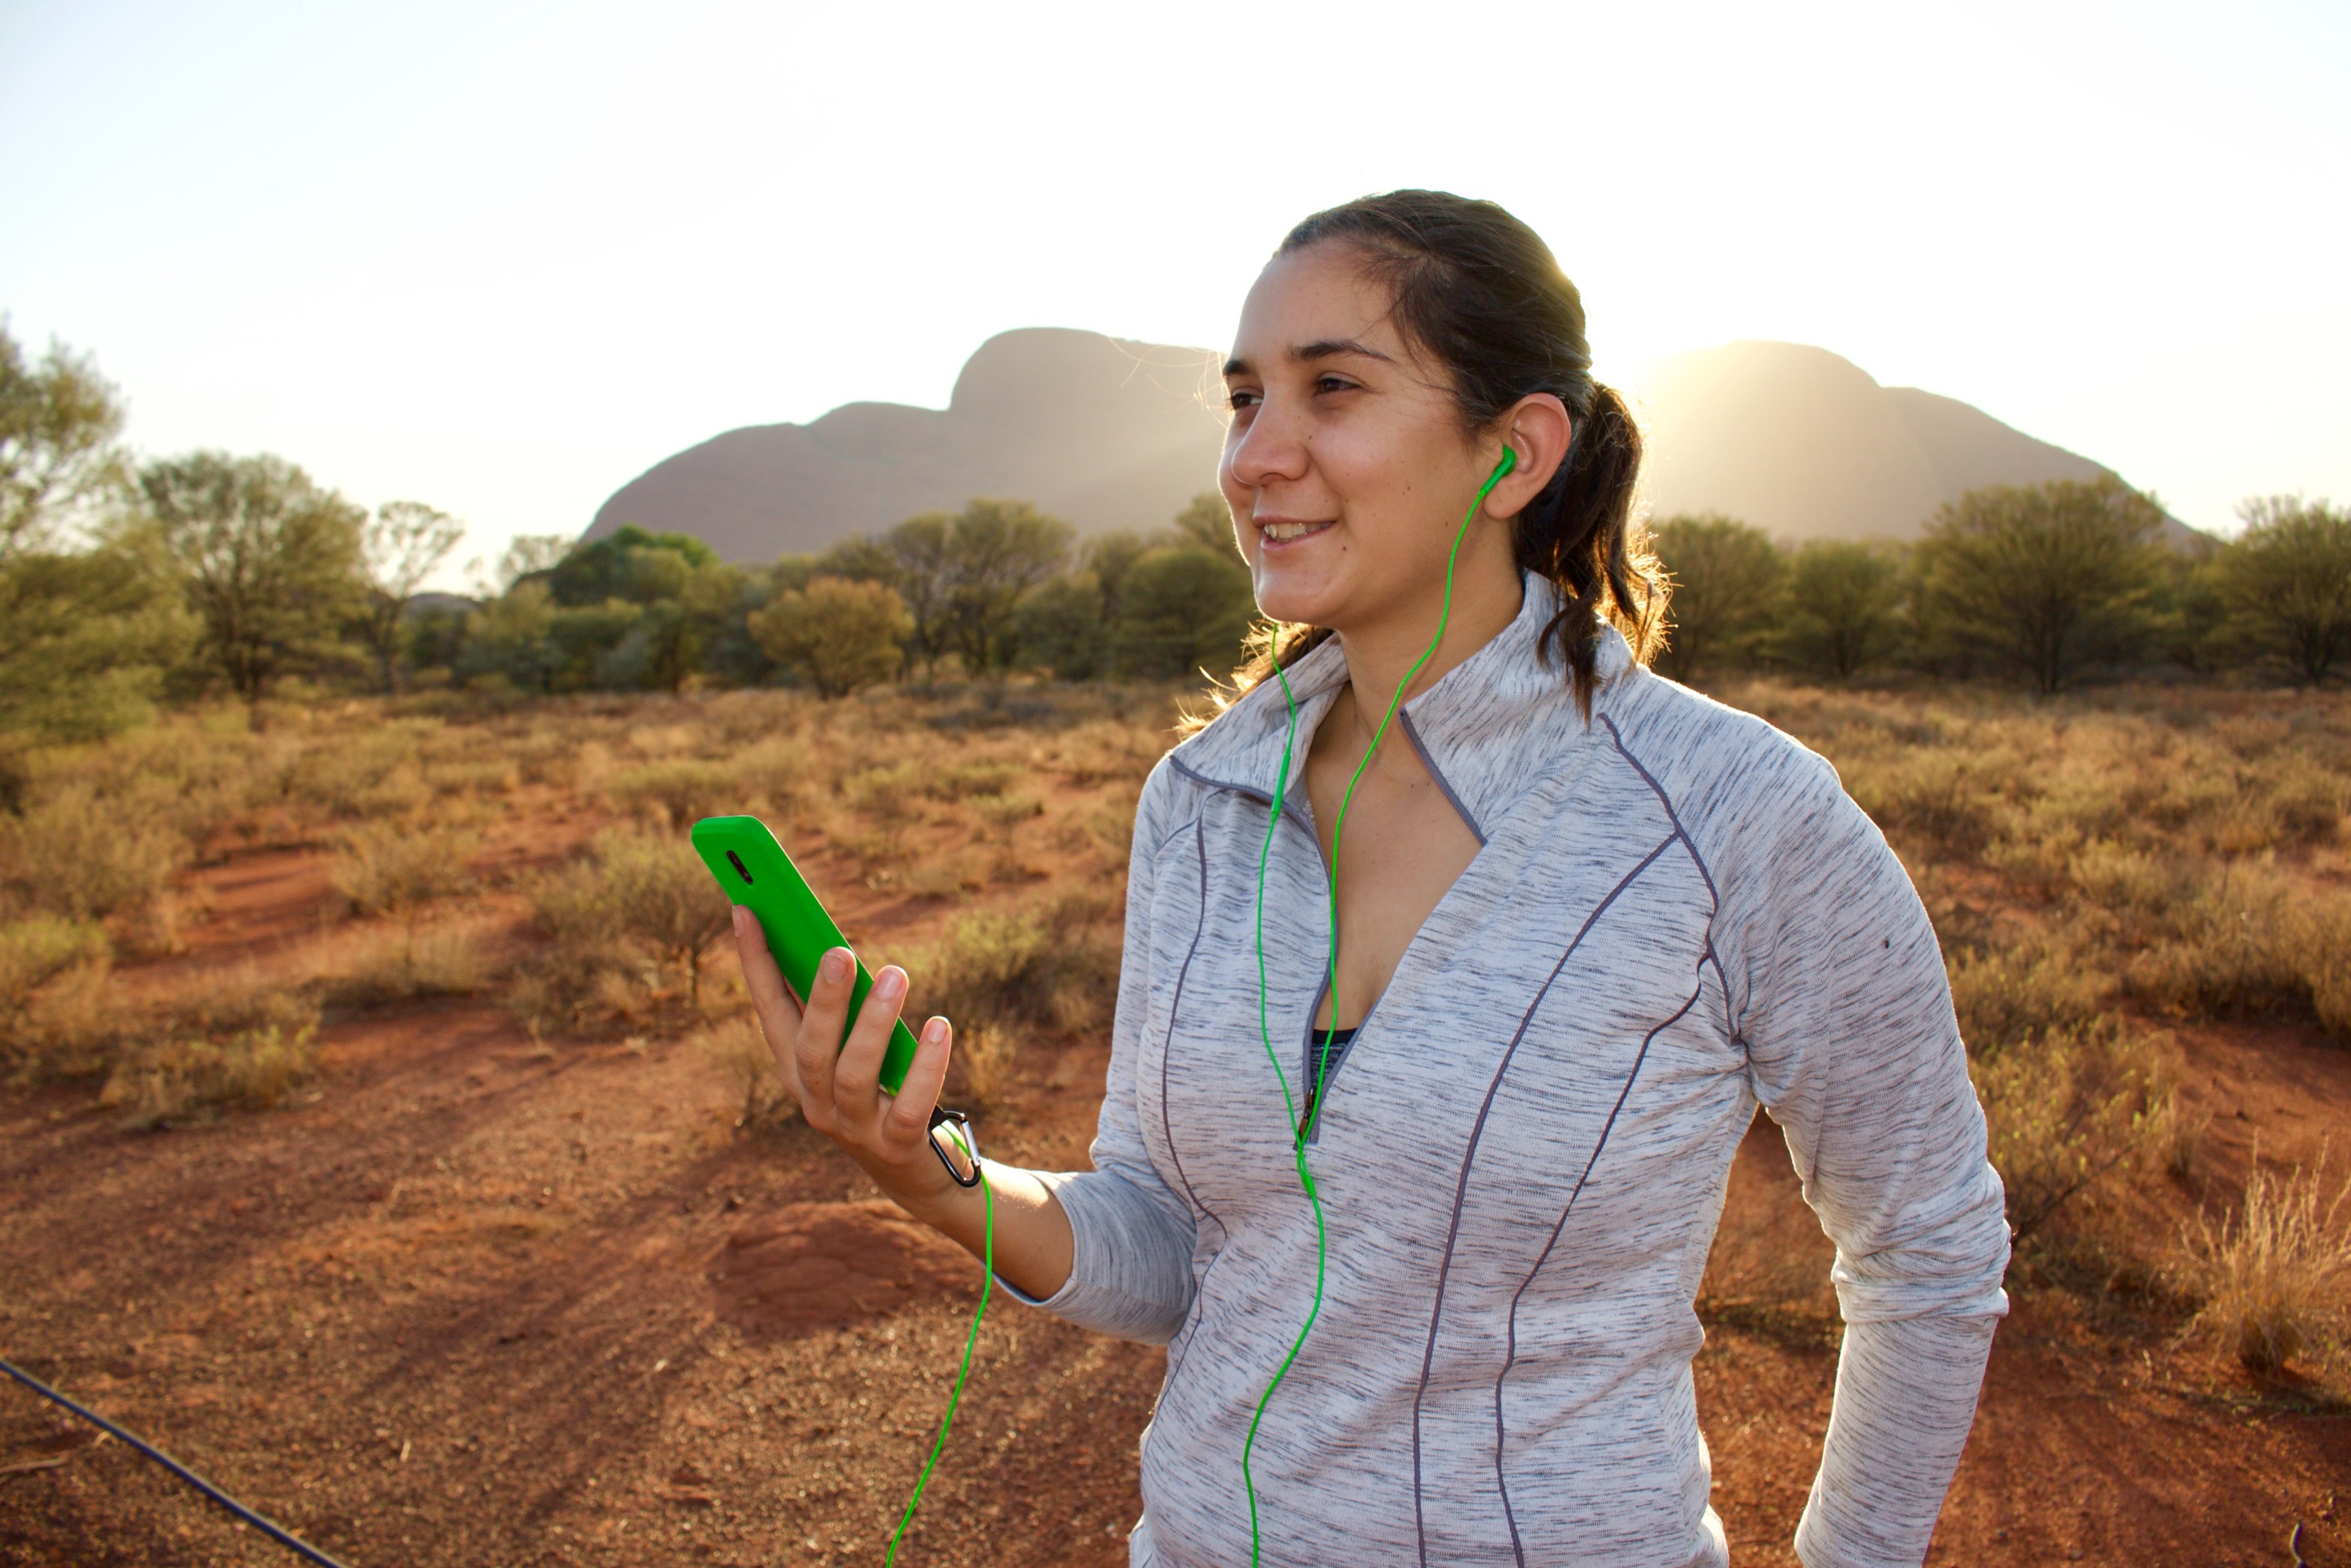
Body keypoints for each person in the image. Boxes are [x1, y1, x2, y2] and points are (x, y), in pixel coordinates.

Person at [732, 190, 2009, 1568]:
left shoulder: (1736, 814)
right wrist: (935, 1178)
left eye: (1331, 388)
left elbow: (1927, 1248)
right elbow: (1179, 1240)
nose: (1254, 458)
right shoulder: (1201, 802)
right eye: (1241, 400)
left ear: (1512, 452)